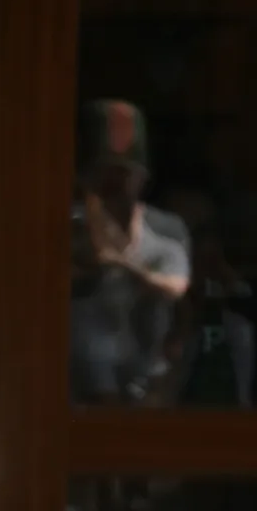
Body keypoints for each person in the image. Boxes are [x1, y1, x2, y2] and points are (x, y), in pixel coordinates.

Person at [69, 99, 192, 403]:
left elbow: (176, 290)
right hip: (83, 376)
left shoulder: (166, 228)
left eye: (125, 172)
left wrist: (122, 265)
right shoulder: (70, 225)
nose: (117, 183)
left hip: (148, 372)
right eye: (106, 172)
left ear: (142, 176)